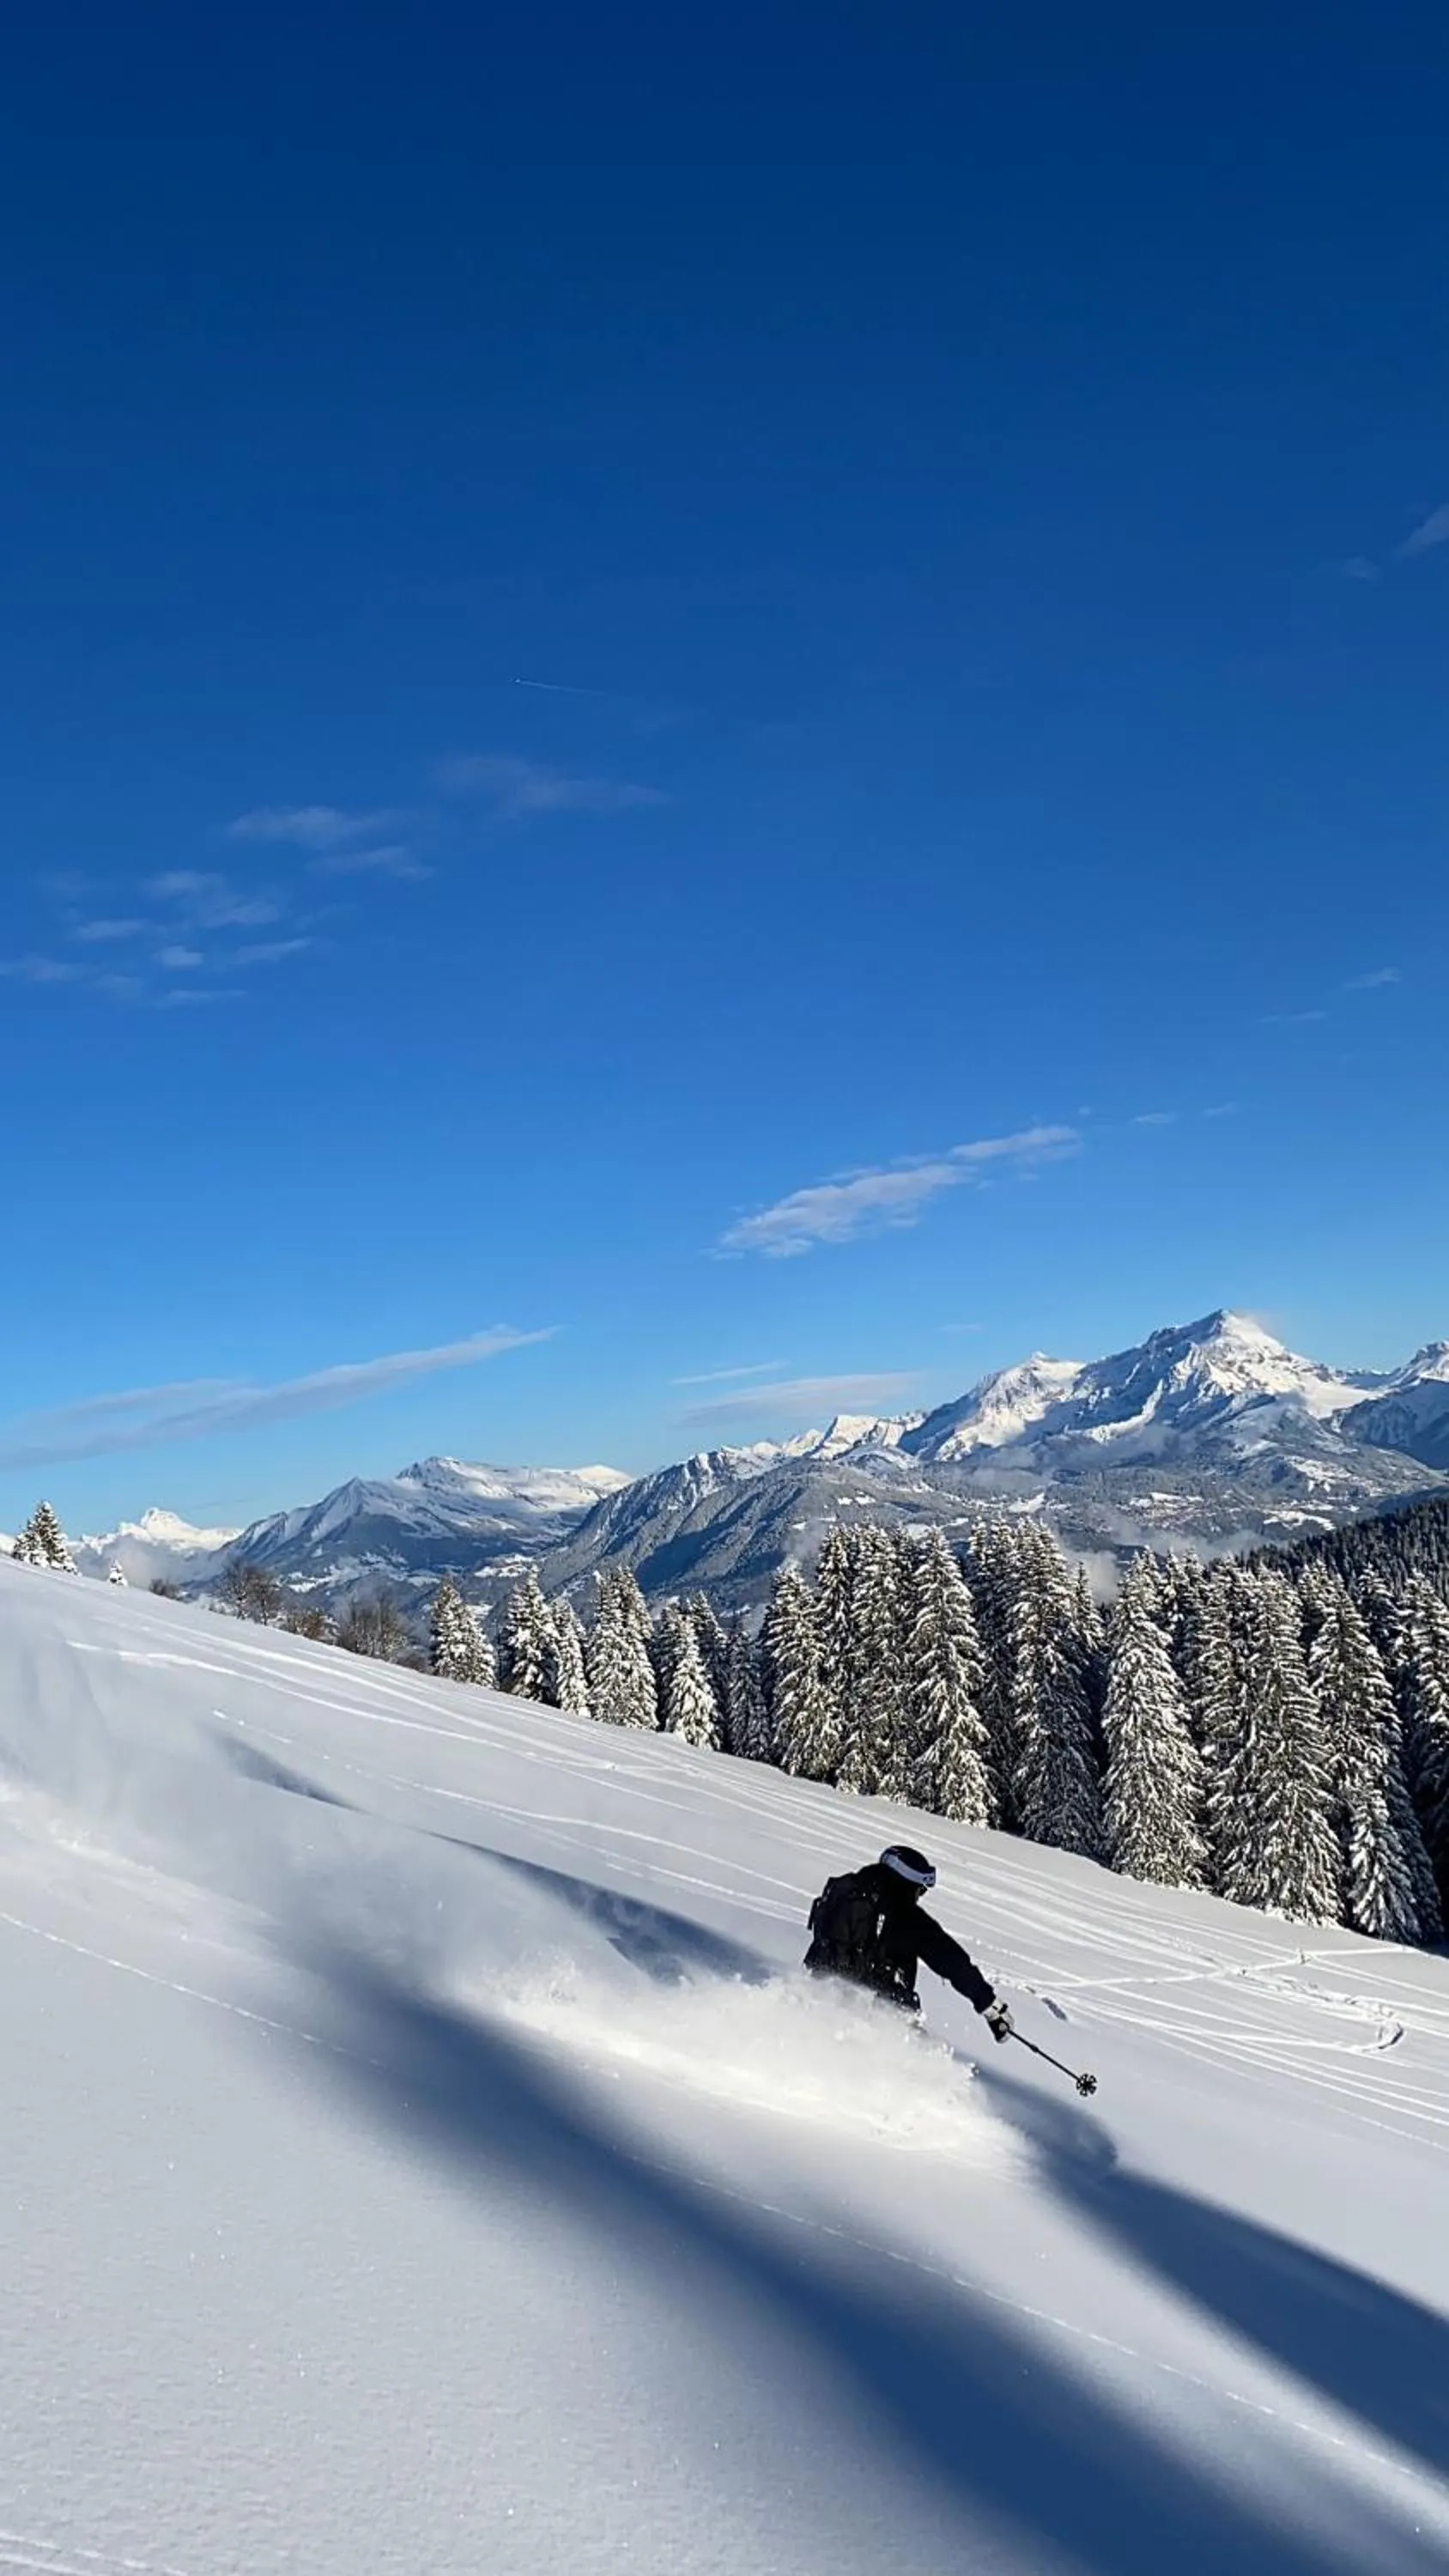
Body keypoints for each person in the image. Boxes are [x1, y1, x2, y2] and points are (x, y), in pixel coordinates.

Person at [805, 1843, 1014, 2040]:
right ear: (908, 1883)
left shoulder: (846, 1890)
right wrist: (990, 2005)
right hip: (880, 2015)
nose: (920, 1896)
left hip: (821, 1995)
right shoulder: (904, 1915)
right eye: (920, 1889)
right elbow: (951, 1960)